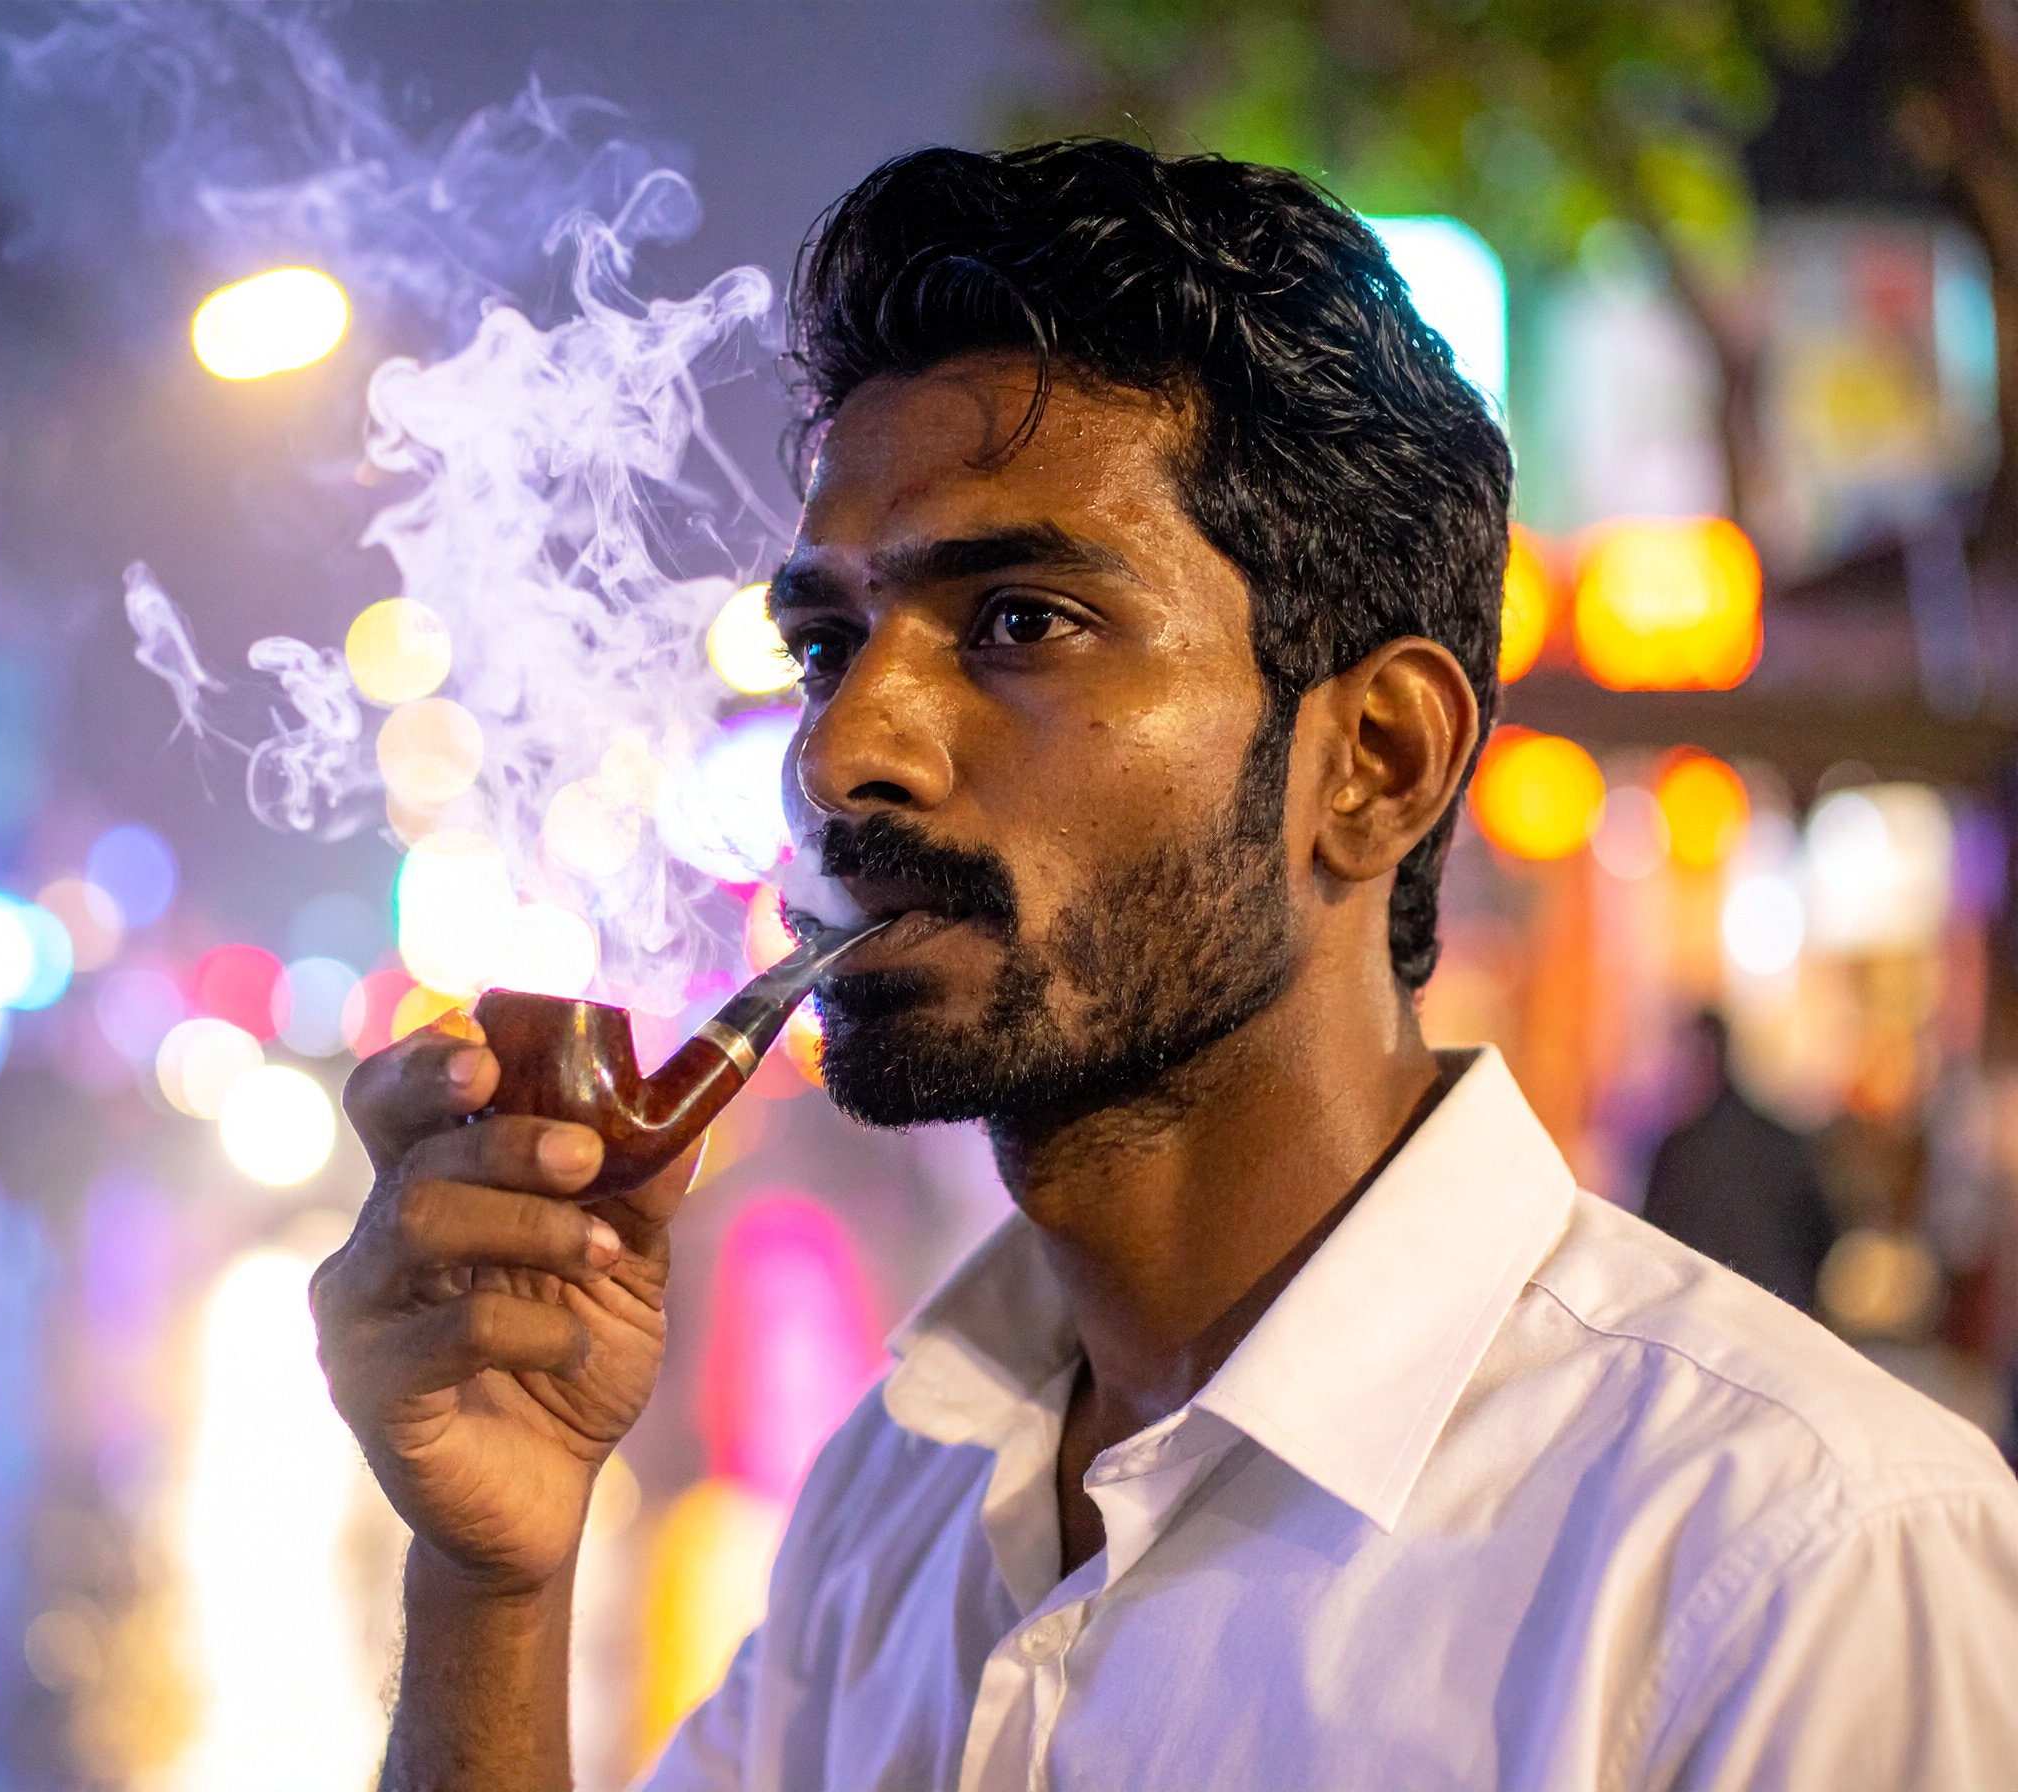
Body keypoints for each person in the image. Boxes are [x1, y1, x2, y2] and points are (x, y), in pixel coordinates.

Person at [311, 143, 2018, 1792]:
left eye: (1018, 623)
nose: (843, 752)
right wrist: (493, 1581)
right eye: (828, 643)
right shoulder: (898, 1493)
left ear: (1373, 761)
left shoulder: (1790, 1560)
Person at [1643, 1010, 1840, 1311]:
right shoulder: (1780, 1139)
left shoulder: (1681, 1150)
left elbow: (1655, 1240)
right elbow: (1824, 1229)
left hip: (1704, 1316)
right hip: (1779, 1309)